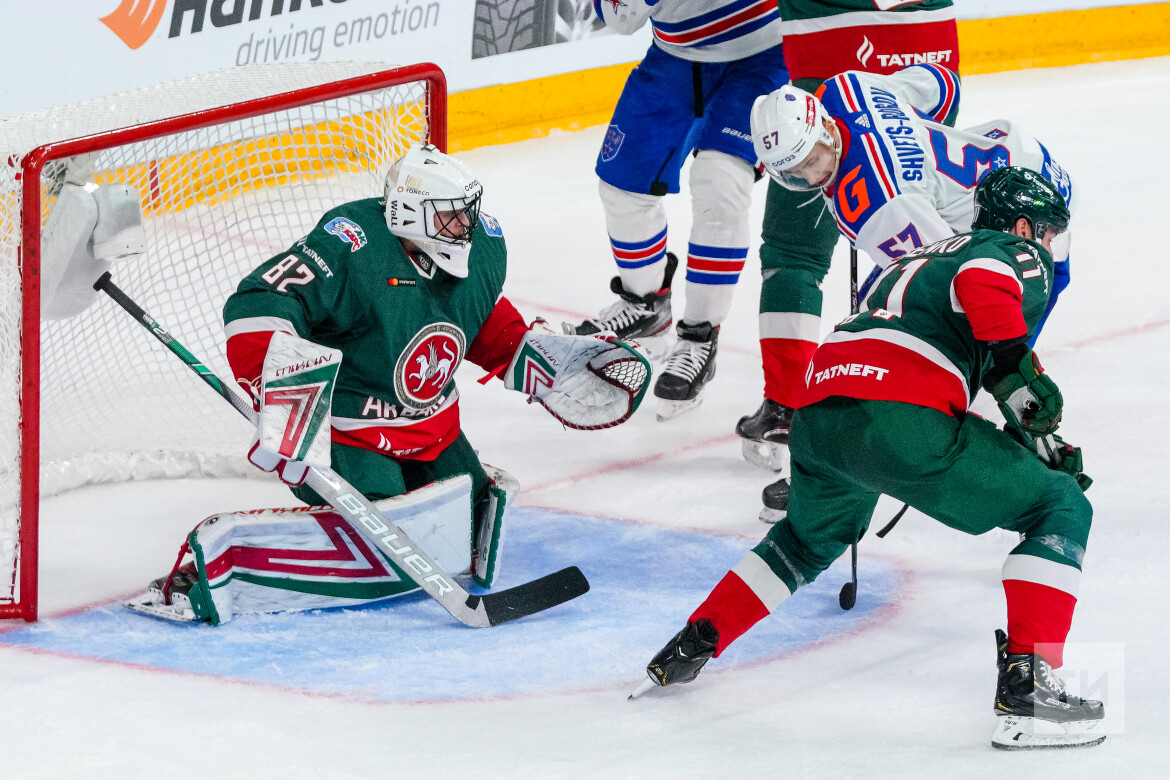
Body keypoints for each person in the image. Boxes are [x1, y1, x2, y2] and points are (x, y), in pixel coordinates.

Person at [635, 167, 1104, 751]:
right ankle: (1029, 696)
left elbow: (947, 340)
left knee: (803, 543)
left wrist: (1029, 428)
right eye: (1049, 234)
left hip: (821, 411)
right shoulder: (1010, 250)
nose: (1050, 248)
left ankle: (693, 642)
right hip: (900, 413)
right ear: (1024, 226)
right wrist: (1021, 376)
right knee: (1061, 507)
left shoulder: (922, 256)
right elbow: (985, 286)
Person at [127, 144, 648, 624]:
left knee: (472, 521)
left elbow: (472, 312)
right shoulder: (352, 247)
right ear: (407, 213)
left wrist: (526, 354)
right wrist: (283, 389)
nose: (465, 225)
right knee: (382, 536)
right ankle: (219, 572)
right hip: (351, 432)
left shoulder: (484, 247)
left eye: (466, 211)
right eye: (449, 215)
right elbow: (259, 303)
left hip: (434, 429)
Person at [742, 62, 1077, 519]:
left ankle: (921, 456)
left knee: (960, 344)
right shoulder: (846, 89)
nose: (812, 178)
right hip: (1016, 156)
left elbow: (949, 282)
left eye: (813, 161)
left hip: (1029, 222)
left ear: (824, 127)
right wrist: (914, 150)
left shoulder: (880, 204)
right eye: (794, 175)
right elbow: (942, 85)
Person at [738, 0, 960, 471]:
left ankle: (792, 406)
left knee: (796, 255)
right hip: (919, 66)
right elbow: (945, 88)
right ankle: (928, 397)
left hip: (824, 95)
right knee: (926, 265)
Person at [564, 0, 787, 420]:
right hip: (674, 56)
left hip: (762, 55)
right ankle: (646, 305)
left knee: (720, 182)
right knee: (622, 185)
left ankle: (700, 337)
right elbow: (620, 19)